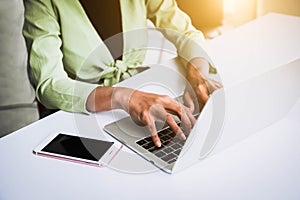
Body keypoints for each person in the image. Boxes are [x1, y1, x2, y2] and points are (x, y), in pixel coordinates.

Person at [23, 0, 222, 147]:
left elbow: (186, 33)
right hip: (79, 112)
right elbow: (49, 84)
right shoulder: (43, 3)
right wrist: (123, 96)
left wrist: (198, 74)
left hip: (138, 96)